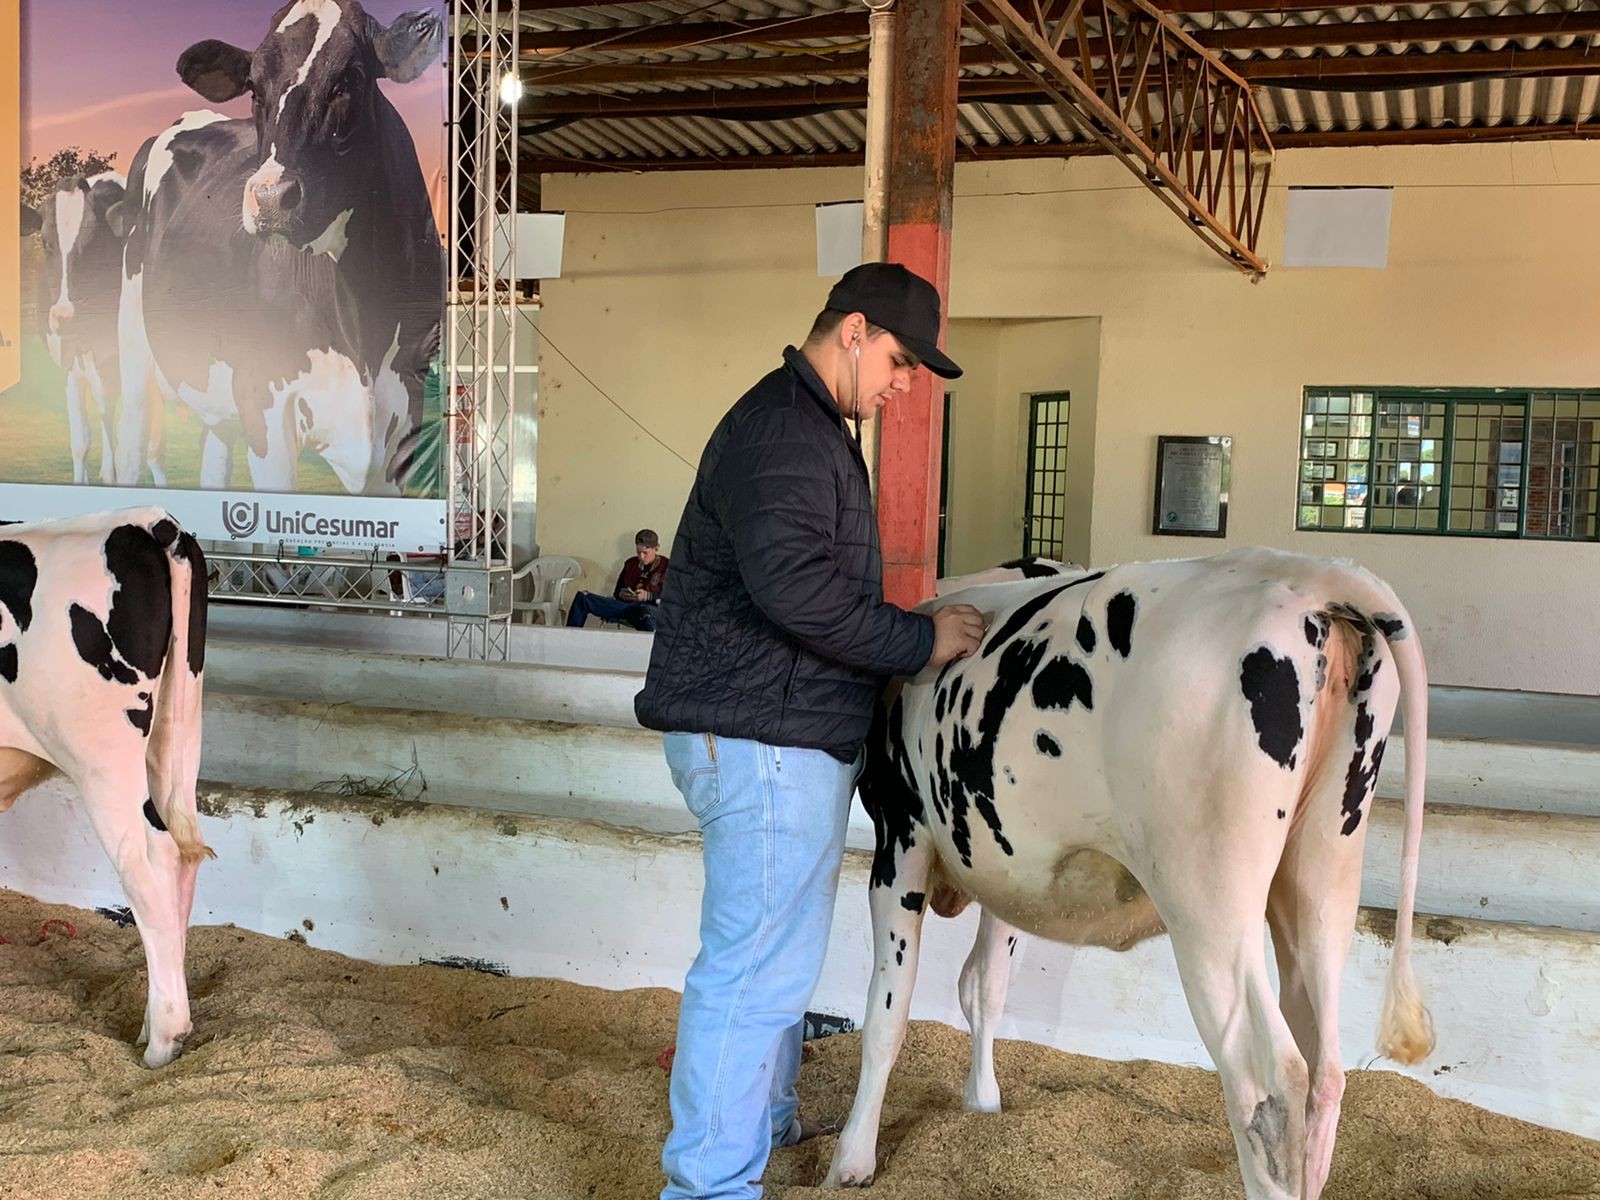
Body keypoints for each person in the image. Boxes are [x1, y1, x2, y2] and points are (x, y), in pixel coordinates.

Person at [634, 262, 987, 1200]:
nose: (904, 386)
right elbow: (797, 593)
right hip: (759, 735)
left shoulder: (807, 426)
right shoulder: (790, 433)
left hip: (769, 727)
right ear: (855, 330)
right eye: (903, 363)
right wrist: (919, 640)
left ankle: (771, 1113)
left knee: (776, 956)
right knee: (754, 970)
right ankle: (707, 1186)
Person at [566, 529, 669, 631]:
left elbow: (674, 596)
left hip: (648, 609)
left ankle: (653, 645)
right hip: (625, 607)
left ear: (656, 548)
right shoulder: (630, 564)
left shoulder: (667, 566)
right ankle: (569, 638)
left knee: (645, 613)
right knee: (583, 598)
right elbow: (617, 592)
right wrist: (624, 595)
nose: (641, 557)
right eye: (638, 552)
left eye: (645, 553)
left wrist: (647, 596)